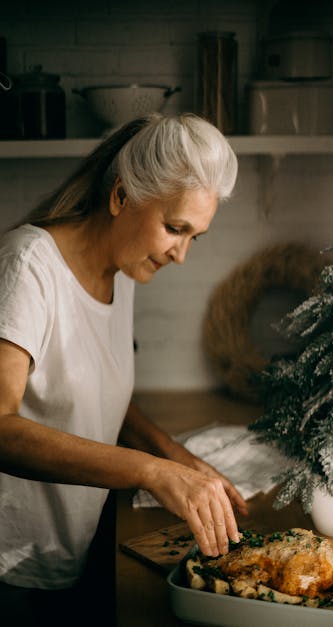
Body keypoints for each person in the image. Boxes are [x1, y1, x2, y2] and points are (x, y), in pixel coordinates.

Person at [0, 113, 248, 626]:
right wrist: (153, 472)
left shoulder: (125, 270)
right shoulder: (28, 267)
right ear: (120, 198)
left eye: (194, 236)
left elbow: (92, 392)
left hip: (72, 554)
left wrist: (180, 459)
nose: (180, 254)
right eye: (175, 228)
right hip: (10, 567)